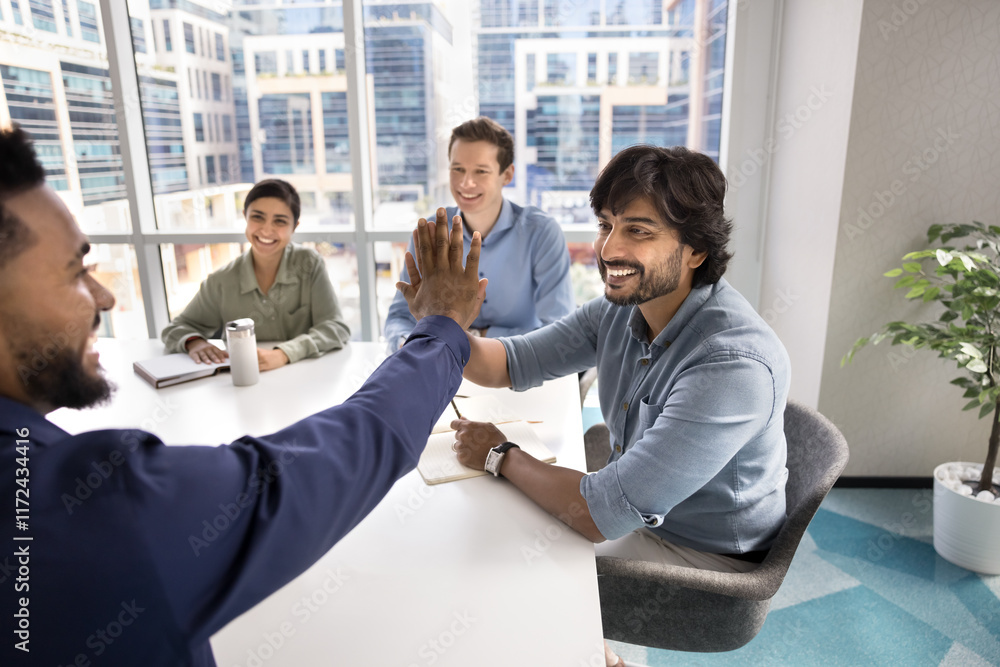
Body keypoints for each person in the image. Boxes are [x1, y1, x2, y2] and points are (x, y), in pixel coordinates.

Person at [0, 124, 485, 665]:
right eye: (74, 272)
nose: (105, 296)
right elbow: (319, 470)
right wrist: (441, 325)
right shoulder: (81, 505)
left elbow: (333, 336)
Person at [421, 145, 791, 667]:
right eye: (606, 224)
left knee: (496, 572)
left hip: (705, 558)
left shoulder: (731, 364)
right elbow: (506, 363)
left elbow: (601, 513)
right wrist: (443, 320)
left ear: (695, 251)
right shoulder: (627, 308)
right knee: (499, 533)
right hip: (643, 513)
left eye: (639, 231)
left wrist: (498, 454)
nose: (609, 248)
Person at [384, 116, 575, 350]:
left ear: (507, 175)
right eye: (458, 169)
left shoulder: (541, 232)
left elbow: (558, 328)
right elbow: (399, 317)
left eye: (481, 171)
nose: (466, 183)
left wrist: (473, 335)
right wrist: (404, 341)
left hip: (519, 369)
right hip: (442, 365)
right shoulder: (431, 232)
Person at [161, 178, 350, 371]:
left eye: (280, 221)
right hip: (242, 382)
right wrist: (196, 343)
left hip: (302, 377)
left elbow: (335, 328)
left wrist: (284, 354)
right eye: (257, 217)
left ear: (294, 227)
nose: (266, 230)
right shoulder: (221, 281)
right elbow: (175, 329)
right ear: (245, 217)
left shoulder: (309, 264)